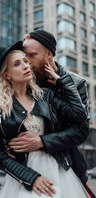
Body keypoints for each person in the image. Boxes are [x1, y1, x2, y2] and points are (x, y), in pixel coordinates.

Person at [0, 42, 95, 198]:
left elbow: (79, 117)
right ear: (7, 75)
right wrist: (32, 178)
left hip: (59, 172)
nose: (26, 65)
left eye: (25, 60)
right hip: (24, 177)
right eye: (17, 64)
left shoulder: (46, 96)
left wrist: (63, 81)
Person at [8, 30, 90, 187]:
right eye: (24, 56)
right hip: (27, 172)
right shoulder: (23, 82)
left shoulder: (76, 83)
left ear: (49, 56)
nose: (27, 61)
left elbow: (81, 131)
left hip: (68, 169)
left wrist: (42, 142)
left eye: (31, 55)